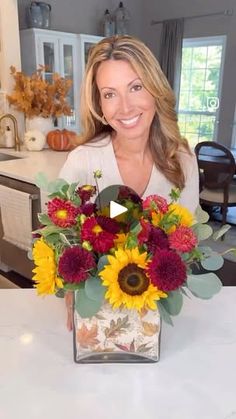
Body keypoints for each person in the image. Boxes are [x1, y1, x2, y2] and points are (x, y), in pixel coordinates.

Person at [59, 35, 199, 330]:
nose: (124, 107)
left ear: (155, 90)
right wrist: (72, 291)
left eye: (135, 87)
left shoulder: (182, 160)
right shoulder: (83, 162)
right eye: (109, 94)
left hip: (154, 321)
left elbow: (186, 245)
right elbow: (57, 243)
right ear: (98, 102)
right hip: (98, 321)